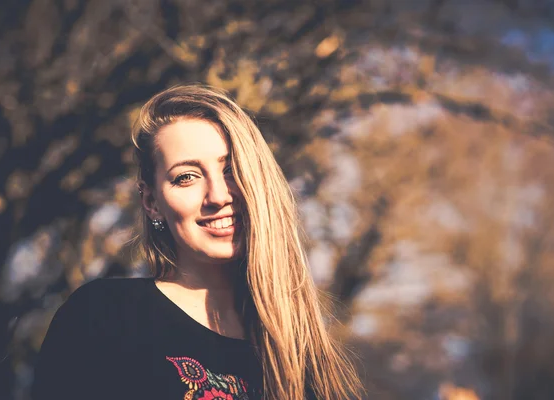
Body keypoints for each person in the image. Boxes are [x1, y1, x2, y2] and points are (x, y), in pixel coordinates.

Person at [32, 85, 364, 400]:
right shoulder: (103, 318)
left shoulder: (306, 359)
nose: (218, 196)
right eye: (186, 177)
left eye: (232, 169)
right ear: (151, 202)